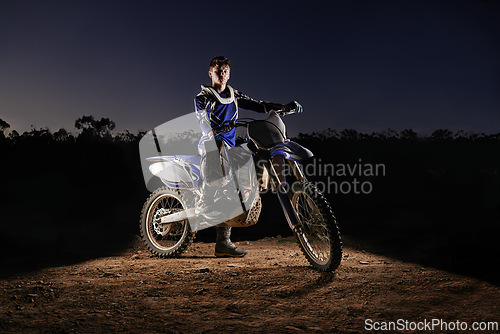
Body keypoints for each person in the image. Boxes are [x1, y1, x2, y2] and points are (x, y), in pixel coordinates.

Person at [194, 56, 302, 257]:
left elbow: (257, 105)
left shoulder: (233, 94)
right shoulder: (203, 97)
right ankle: (203, 201)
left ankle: (223, 242)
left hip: (231, 144)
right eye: (218, 70)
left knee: (245, 173)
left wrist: (282, 107)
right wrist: (211, 130)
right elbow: (202, 118)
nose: (222, 73)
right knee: (216, 177)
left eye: (225, 70)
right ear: (211, 73)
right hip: (212, 144)